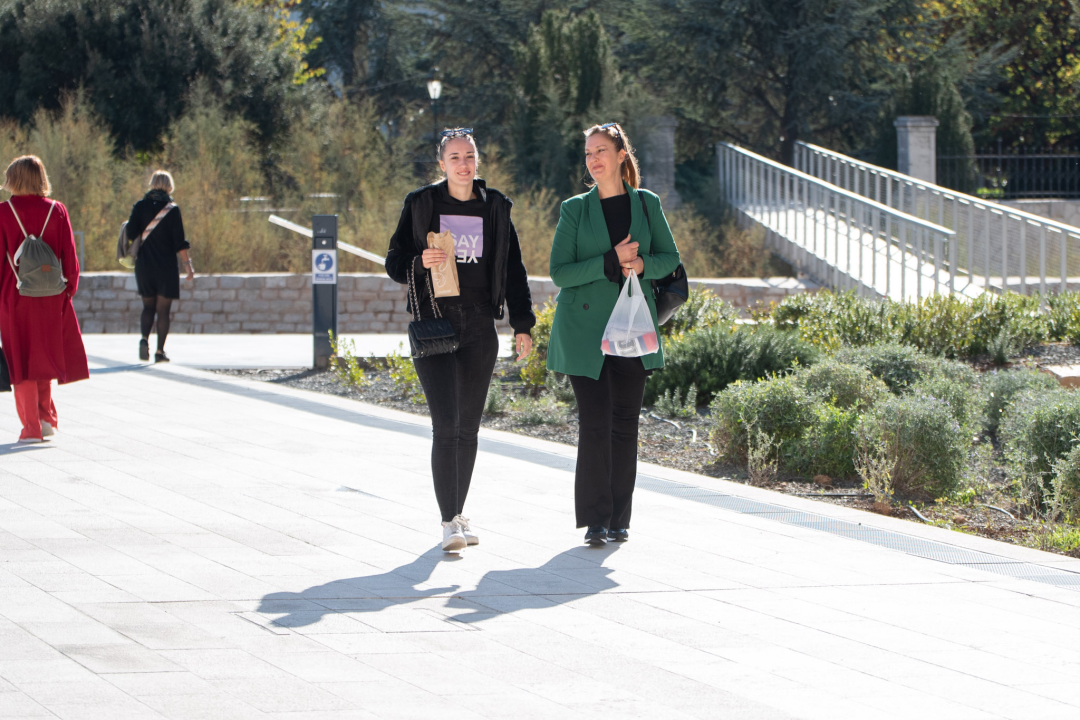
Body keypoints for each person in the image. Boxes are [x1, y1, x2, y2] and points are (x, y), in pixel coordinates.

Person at [385, 128, 536, 553]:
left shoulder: (496, 208)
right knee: (445, 424)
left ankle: (458, 513)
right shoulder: (422, 204)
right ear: (442, 164)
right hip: (436, 321)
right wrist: (419, 262)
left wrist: (522, 323)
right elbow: (394, 263)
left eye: (469, 156)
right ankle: (449, 521)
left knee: (468, 428)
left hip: (480, 325)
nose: (463, 164)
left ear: (477, 161)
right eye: (455, 158)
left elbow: (514, 271)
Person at [546, 122, 681, 546]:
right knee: (595, 423)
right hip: (585, 330)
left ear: (622, 155)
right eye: (588, 153)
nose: (593, 159)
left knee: (625, 423)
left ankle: (620, 517)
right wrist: (611, 260)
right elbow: (559, 273)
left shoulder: (647, 204)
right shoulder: (575, 209)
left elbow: (670, 259)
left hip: (633, 325)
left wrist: (641, 266)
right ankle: (595, 519)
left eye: (601, 150)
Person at [0, 155, 89, 443]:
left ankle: (31, 428)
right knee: (43, 356)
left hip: (15, 297)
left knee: (21, 360)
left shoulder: (3, 212)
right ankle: (46, 418)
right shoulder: (58, 210)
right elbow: (70, 259)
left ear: (13, 179)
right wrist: (67, 292)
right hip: (51, 295)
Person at [125, 170, 193, 362]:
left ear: (152, 183)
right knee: (163, 311)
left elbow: (130, 232)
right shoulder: (172, 209)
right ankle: (159, 352)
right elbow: (180, 242)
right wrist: (188, 266)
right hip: (166, 267)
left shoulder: (139, 206)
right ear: (169, 185)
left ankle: (144, 340)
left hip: (144, 266)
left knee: (148, 307)